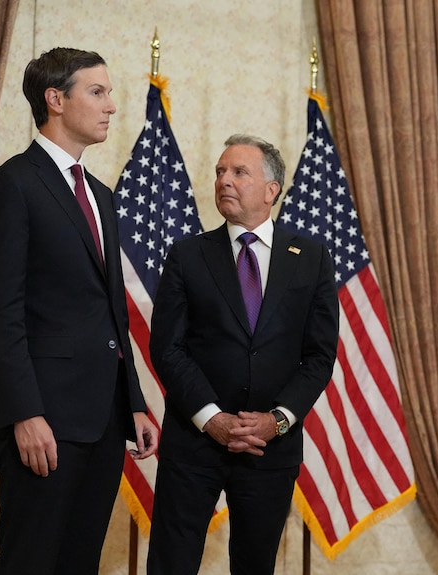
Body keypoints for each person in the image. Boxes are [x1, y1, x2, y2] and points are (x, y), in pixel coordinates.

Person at [0, 47, 158, 575]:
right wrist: (24, 413)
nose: (111, 106)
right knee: (30, 562)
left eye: (110, 93)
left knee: (79, 564)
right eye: (97, 92)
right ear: (55, 99)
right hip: (43, 422)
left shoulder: (101, 195)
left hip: (103, 421)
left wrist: (135, 403)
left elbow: (112, 312)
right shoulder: (11, 186)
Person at [146, 134, 339, 575]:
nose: (224, 181)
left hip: (269, 448)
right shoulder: (186, 255)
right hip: (194, 443)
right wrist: (211, 418)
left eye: (238, 172)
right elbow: (168, 348)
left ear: (272, 190)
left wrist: (279, 420)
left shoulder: (311, 258)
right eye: (219, 172)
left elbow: (319, 356)